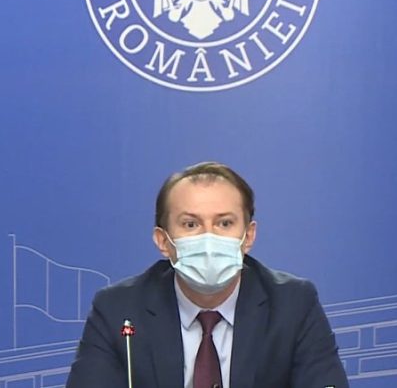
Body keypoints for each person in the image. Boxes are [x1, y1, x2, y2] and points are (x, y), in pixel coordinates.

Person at [66, 162, 349, 388]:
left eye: (224, 223)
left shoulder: (293, 304)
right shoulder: (118, 309)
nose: (209, 238)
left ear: (248, 236)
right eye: (191, 224)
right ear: (163, 241)